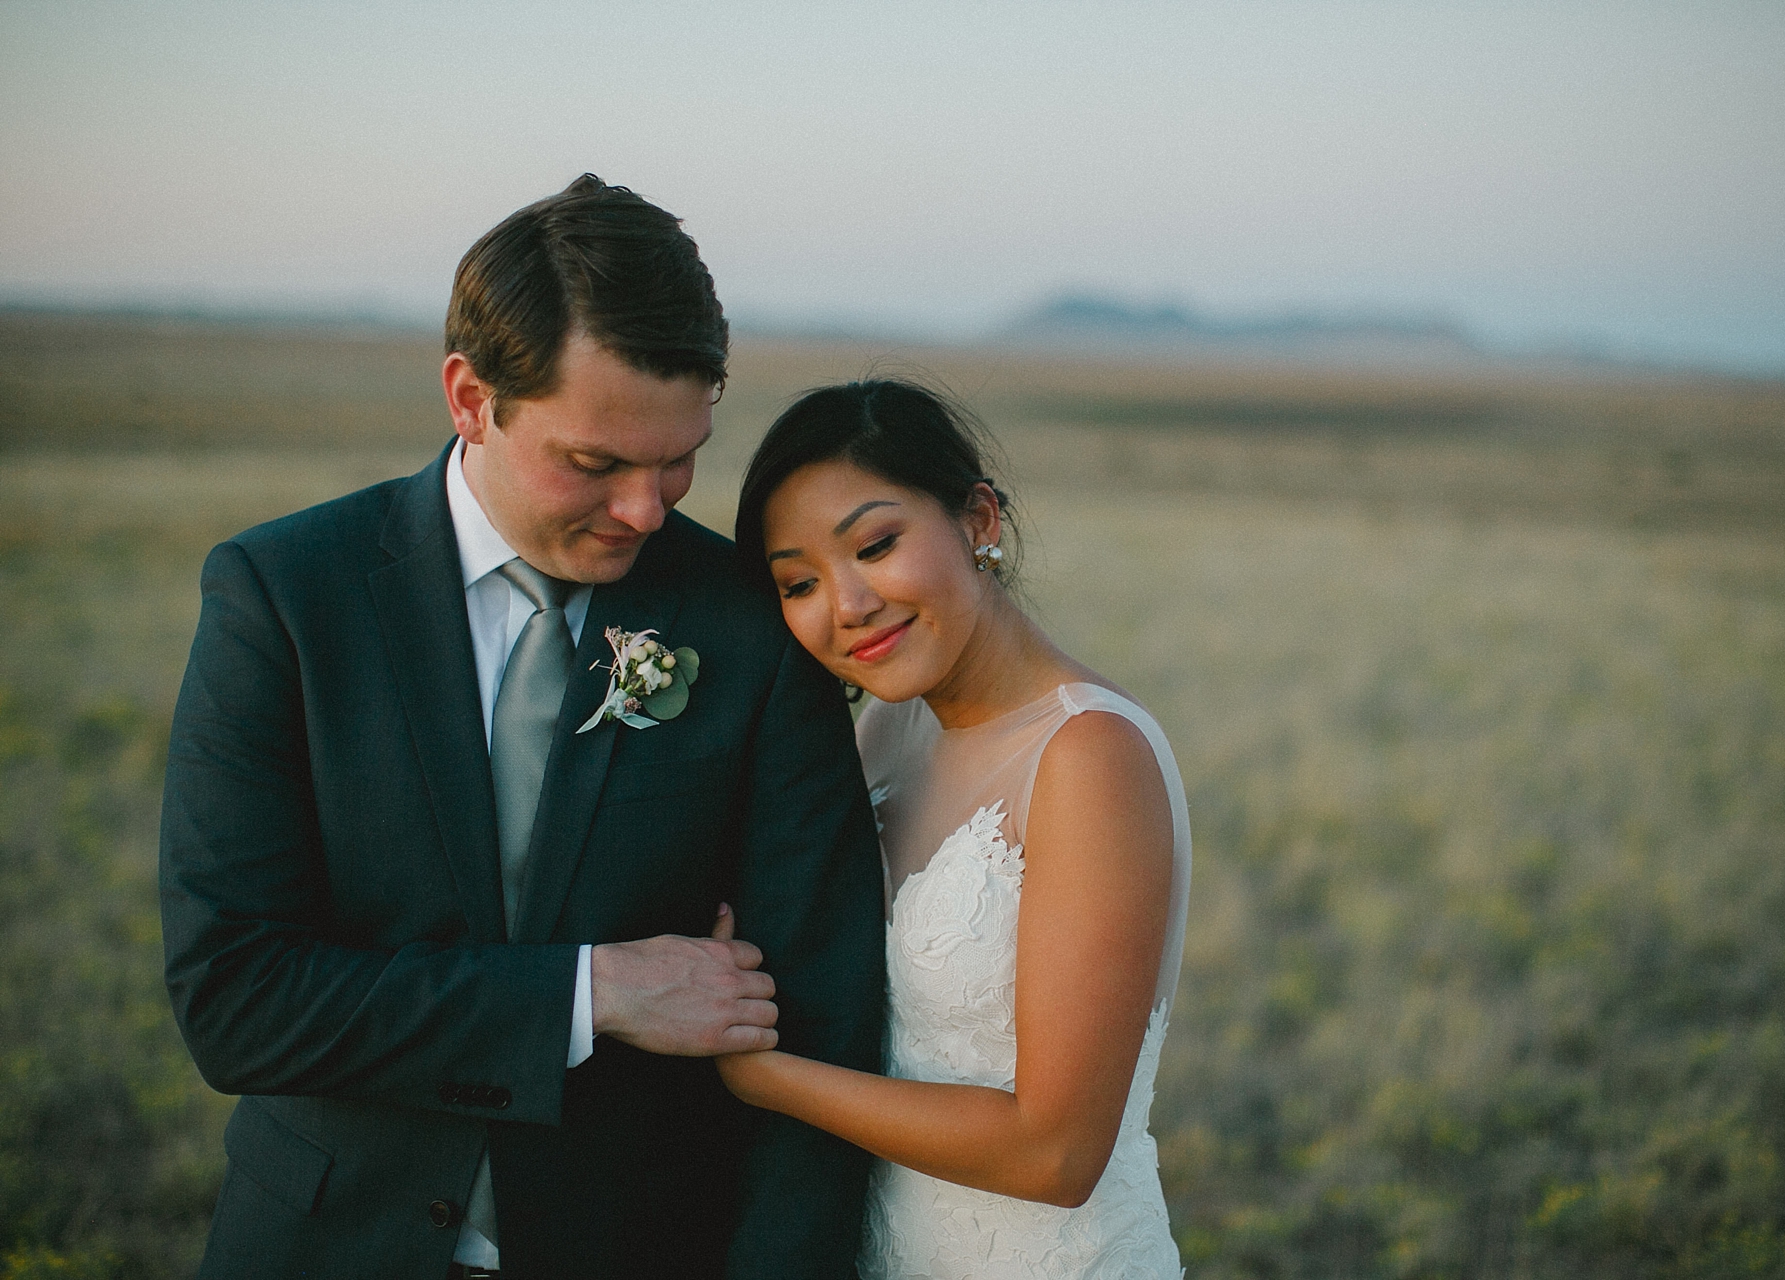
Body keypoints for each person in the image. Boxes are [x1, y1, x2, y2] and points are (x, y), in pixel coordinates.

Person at [158, 174, 886, 1279]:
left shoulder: (748, 624)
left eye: (678, 457)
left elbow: (822, 1018)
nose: (648, 510)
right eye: (595, 463)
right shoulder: (286, 597)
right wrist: (593, 991)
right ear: (469, 397)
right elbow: (237, 1000)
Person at [724, 380, 1191, 1277]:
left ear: (979, 518)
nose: (847, 603)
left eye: (876, 545)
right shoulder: (891, 728)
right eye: (799, 582)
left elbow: (1055, 1155)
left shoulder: (1089, 756)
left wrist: (767, 1077)